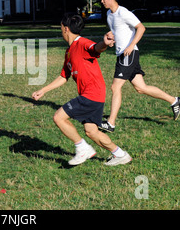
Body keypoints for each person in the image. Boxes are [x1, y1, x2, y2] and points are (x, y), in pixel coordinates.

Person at [32, 15, 132, 166]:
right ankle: (120, 154)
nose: (61, 32)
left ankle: (82, 148)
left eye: (61, 29)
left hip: (92, 94)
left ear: (66, 29)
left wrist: (104, 43)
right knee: (91, 131)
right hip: (94, 95)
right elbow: (63, 76)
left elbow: (96, 48)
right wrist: (43, 90)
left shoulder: (82, 43)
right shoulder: (69, 51)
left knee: (59, 117)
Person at [99, 0, 180, 133]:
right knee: (141, 88)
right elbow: (116, 32)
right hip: (122, 54)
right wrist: (111, 39)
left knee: (115, 87)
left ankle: (110, 123)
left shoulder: (123, 12)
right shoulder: (109, 14)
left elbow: (141, 28)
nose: (102, 1)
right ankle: (174, 101)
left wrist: (130, 46)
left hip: (128, 54)